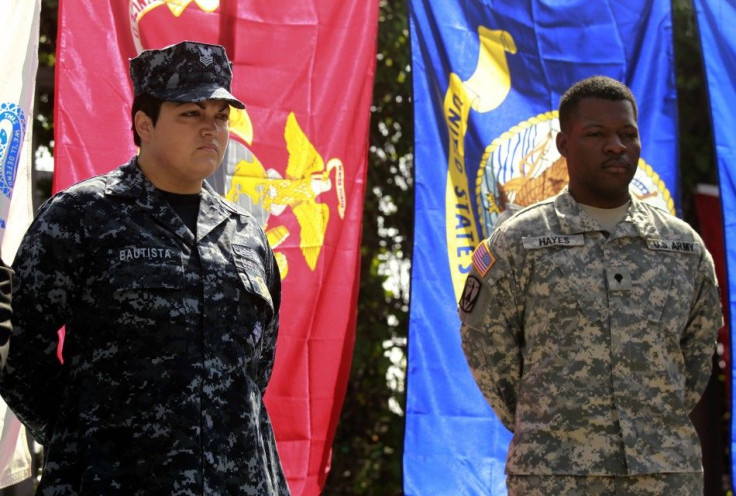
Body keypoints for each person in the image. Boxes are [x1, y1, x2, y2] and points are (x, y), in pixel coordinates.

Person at [0, 41, 290, 495]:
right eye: (191, 114)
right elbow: (17, 347)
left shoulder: (247, 236)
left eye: (220, 116)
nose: (210, 129)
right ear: (144, 124)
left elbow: (256, 369)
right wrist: (79, 436)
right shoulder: (82, 215)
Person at [458, 75, 722, 495]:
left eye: (627, 134)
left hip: (664, 476)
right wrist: (544, 422)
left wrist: (653, 423)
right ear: (564, 145)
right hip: (555, 476)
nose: (616, 145)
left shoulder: (682, 248)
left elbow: (696, 358)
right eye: (597, 134)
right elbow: (486, 348)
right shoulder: (517, 243)